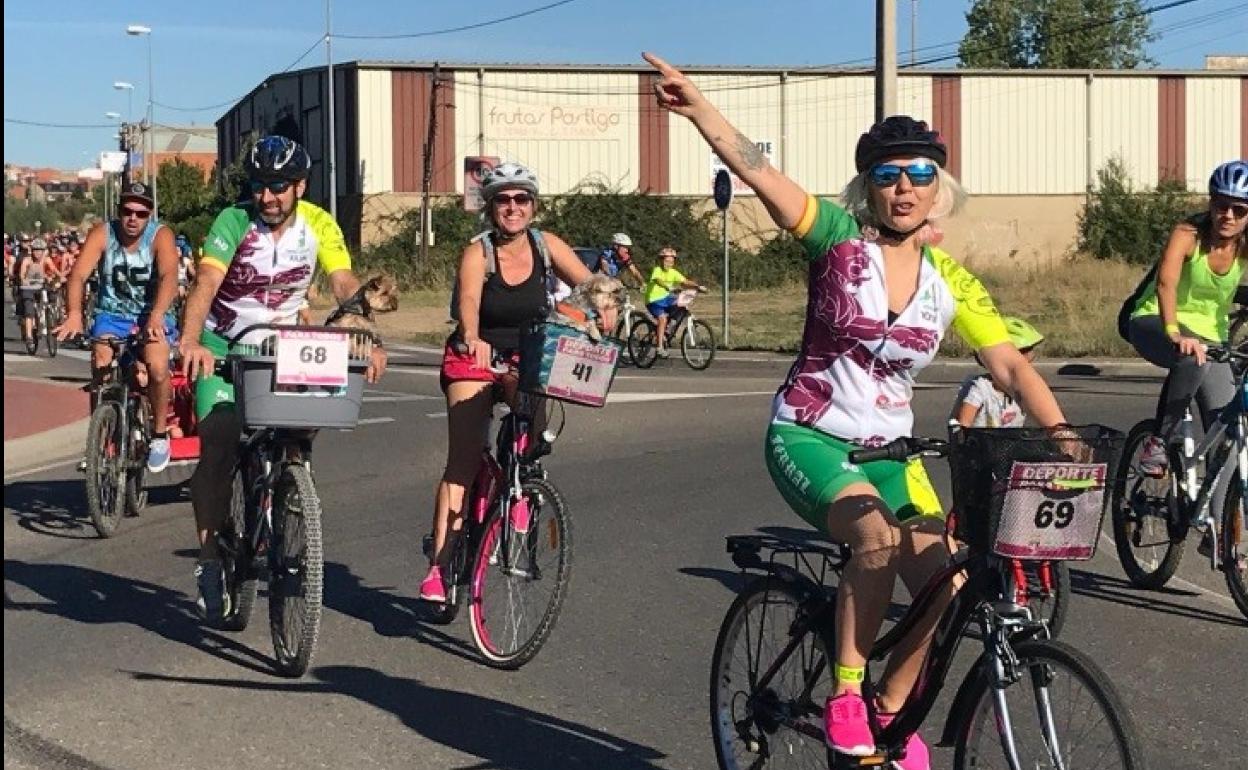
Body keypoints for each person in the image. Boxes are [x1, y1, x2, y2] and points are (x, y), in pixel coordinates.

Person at [644, 52, 1076, 768]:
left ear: (940, 188)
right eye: (887, 174)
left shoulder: (951, 281)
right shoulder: (838, 241)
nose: (903, 187)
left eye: (919, 174)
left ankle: (887, 711)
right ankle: (847, 691)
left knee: (949, 584)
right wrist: (700, 111)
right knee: (874, 538)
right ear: (867, 187)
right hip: (809, 436)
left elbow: (1010, 364)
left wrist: (1062, 434)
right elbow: (758, 172)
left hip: (891, 452)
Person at [178, 135, 388, 623]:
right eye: (259, 186)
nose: (267, 197)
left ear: (300, 185)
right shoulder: (233, 220)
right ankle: (210, 561)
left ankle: (291, 486)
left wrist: (368, 330)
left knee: (302, 424)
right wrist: (190, 341)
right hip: (225, 345)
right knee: (219, 443)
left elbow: (342, 282)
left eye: (278, 187)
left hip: (285, 344)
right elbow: (207, 282)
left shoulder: (319, 222)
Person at [421, 161, 609, 603]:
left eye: (521, 199)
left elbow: (592, 283)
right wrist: (471, 337)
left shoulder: (546, 246)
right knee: (463, 461)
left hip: (528, 355)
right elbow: (468, 299)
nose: (512, 207)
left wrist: (608, 303)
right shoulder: (478, 252)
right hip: (476, 354)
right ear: (490, 207)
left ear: (533, 206)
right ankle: (440, 565)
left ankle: (521, 485)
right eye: (503, 199)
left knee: (533, 434)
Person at [1126, 160, 1248, 479]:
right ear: (1211, 203)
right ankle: (1159, 442)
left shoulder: (1244, 246)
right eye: (1221, 205)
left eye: (1239, 209)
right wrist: (1174, 332)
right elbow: (1166, 283)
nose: (1229, 216)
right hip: (1156, 321)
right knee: (1191, 358)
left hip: (1211, 339)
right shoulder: (1188, 234)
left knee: (1227, 435)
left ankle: (1221, 525)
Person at [55, 183, 181, 473]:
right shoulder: (102, 233)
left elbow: (169, 276)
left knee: (158, 366)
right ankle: (99, 440)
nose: (133, 218)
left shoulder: (160, 236)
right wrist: (74, 314)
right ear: (119, 211)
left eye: (141, 212)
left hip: (152, 313)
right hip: (111, 314)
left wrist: (157, 316)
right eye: (127, 211)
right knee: (101, 361)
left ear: (150, 214)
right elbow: (78, 276)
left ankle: (159, 435)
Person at [951, 316, 1045, 428]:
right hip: (980, 444)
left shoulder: (1023, 389)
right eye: (1019, 368)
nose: (1026, 372)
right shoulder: (981, 388)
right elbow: (963, 424)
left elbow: (1047, 415)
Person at [643, 246, 703, 357]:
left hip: (666, 299)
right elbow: (658, 280)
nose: (669, 264)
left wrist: (698, 287)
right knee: (662, 319)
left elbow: (685, 281)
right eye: (666, 261)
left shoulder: (673, 272)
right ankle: (659, 347)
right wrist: (667, 287)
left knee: (680, 306)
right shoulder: (657, 270)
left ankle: (666, 330)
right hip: (653, 300)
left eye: (671, 262)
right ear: (661, 261)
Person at [16, 238, 52, 344]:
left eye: (40, 250)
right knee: (29, 312)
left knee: (49, 299)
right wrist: (24, 280)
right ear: (32, 250)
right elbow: (22, 274)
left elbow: (54, 271)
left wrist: (55, 277)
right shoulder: (27, 260)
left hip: (41, 287)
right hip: (28, 288)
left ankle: (49, 318)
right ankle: (29, 336)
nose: (38, 253)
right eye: (36, 250)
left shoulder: (46, 260)